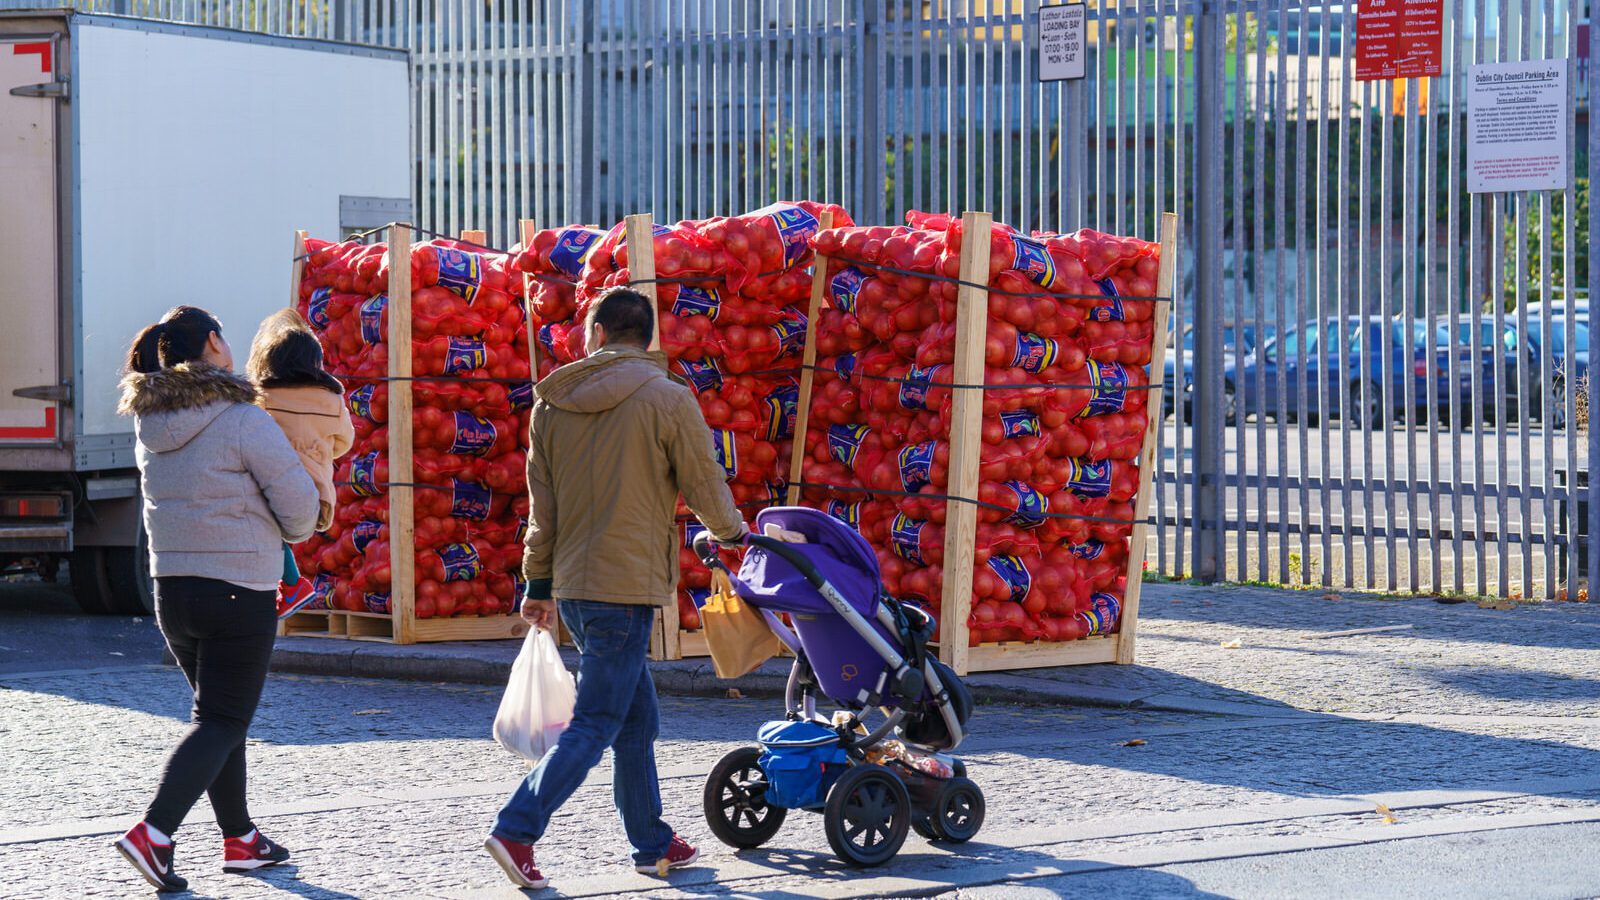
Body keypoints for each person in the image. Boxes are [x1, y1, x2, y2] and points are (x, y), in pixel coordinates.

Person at [484, 287, 747, 889]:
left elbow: (541, 509)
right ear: (645, 337)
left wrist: (538, 582)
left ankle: (651, 841)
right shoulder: (668, 399)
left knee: (635, 718)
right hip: (624, 588)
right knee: (599, 720)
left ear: (597, 332)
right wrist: (733, 534)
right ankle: (516, 827)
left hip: (575, 586)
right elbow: (704, 483)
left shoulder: (550, 406)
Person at [113, 306, 321, 892]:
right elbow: (301, 515)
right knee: (224, 718)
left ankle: (242, 840)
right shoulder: (242, 418)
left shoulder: (149, 423)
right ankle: (152, 834)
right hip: (237, 590)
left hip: (170, 590)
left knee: (218, 720)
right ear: (213, 343)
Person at [245, 308, 355, 618]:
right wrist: (319, 450)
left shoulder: (262, 396)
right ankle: (289, 584)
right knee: (272, 525)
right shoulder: (332, 400)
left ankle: (291, 584)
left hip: (273, 488)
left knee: (260, 516)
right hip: (317, 495)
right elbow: (344, 442)